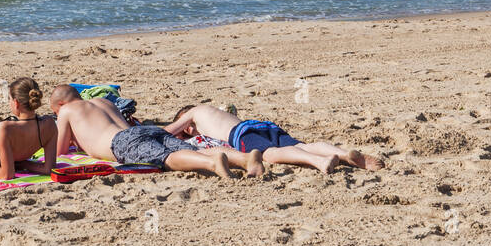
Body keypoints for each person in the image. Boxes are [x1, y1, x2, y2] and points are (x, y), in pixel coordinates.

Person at [47, 85, 263, 178]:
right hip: (143, 131)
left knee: (166, 158)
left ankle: (212, 163)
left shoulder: (66, 110)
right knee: (184, 147)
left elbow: (60, 150)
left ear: (62, 103)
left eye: (55, 111)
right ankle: (245, 159)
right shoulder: (102, 101)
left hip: (121, 142)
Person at [165, 103, 385, 173]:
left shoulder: (194, 112)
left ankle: (319, 162)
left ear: (186, 117)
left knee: (269, 154)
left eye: (188, 128)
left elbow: (167, 131)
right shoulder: (215, 111)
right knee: (303, 145)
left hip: (242, 133)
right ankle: (343, 154)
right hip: (262, 124)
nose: (190, 132)